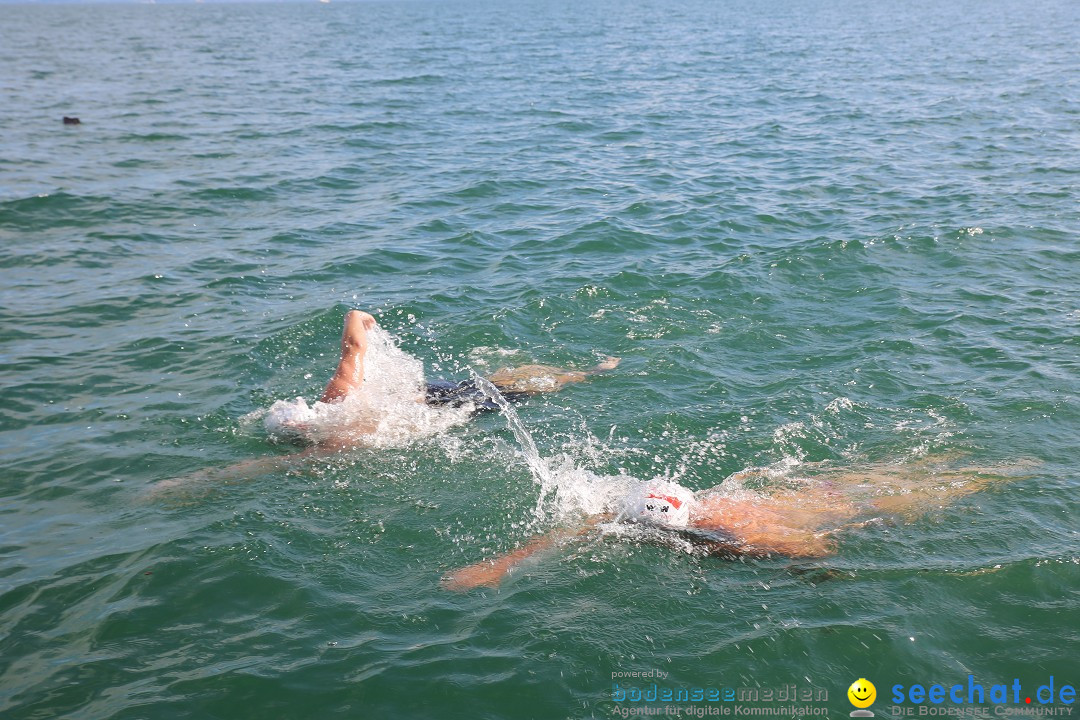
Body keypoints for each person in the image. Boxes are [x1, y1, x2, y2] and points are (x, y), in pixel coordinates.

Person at [441, 458, 1026, 590]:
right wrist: (500, 565)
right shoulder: (661, 507)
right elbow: (584, 527)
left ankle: (1010, 470)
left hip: (833, 510)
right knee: (884, 476)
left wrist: (807, 572)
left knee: (927, 492)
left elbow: (818, 546)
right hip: (804, 494)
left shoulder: (741, 531)